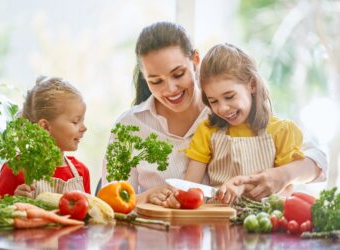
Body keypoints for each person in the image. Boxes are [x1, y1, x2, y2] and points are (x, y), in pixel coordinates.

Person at [101, 21, 326, 205]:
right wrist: (145, 197)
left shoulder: (231, 113)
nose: (170, 89)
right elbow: (108, 203)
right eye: (156, 81)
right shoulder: (129, 127)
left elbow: (318, 161)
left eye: (178, 74)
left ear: (195, 60)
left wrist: (284, 175)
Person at [165, 43, 309, 207]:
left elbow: (285, 190)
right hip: (217, 219)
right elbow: (190, 186)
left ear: (252, 85)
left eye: (229, 96)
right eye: (213, 101)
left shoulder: (282, 130)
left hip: (263, 220)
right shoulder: (207, 131)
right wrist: (178, 198)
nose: (222, 108)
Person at [0, 76, 90, 198]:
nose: (84, 128)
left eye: (82, 120)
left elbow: (89, 215)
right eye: (76, 121)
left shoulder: (81, 172)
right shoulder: (15, 169)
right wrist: (14, 200)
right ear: (45, 127)